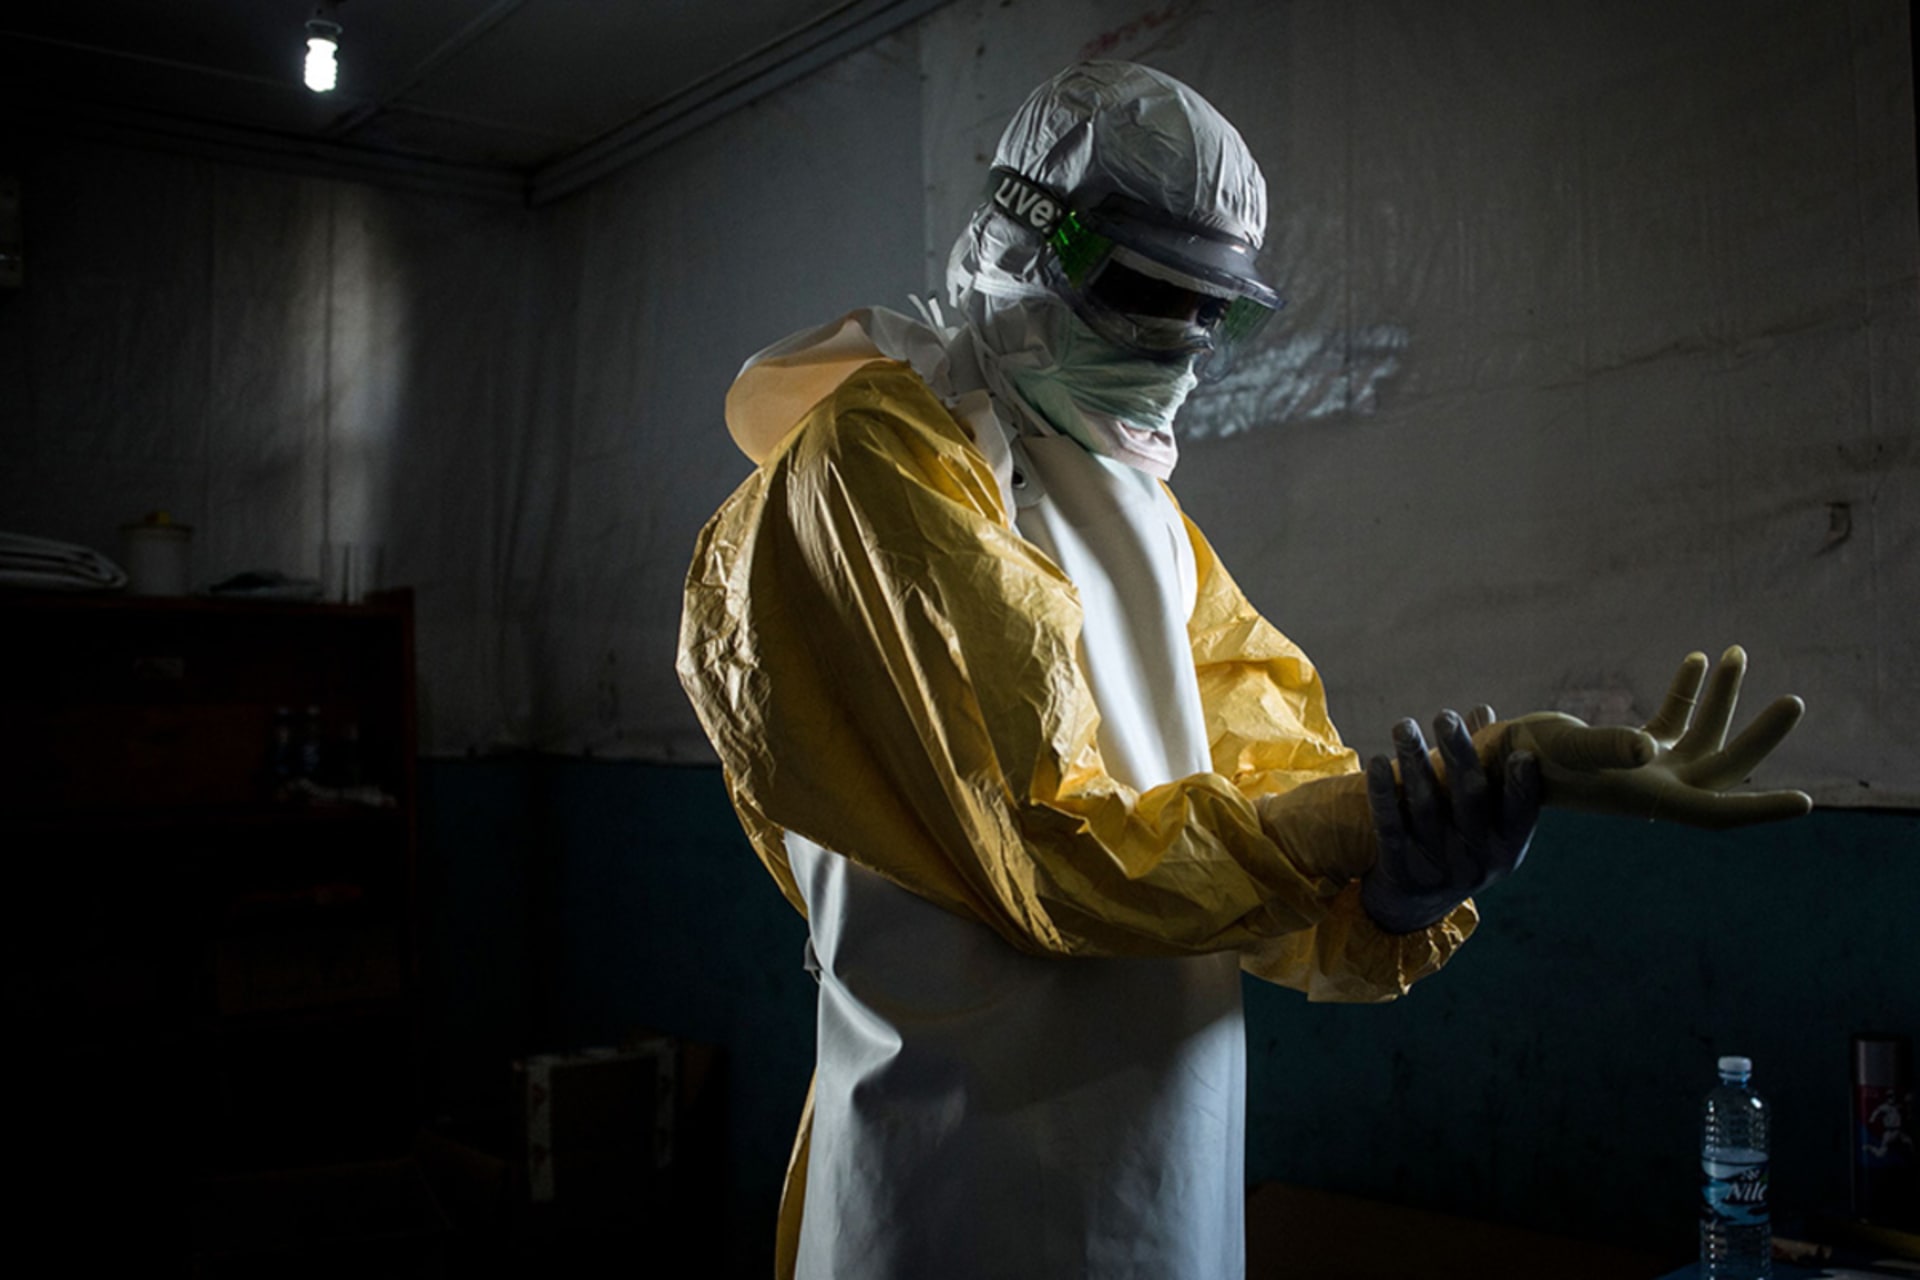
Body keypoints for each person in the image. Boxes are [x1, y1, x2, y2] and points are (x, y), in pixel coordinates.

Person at [677, 60, 1810, 1280]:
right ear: (1031, 245)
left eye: (1214, 309)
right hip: (954, 1188)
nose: (1186, 344)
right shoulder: (877, 460)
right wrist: (1373, 813)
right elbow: (1052, 849)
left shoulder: (1152, 525)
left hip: (1170, 1187)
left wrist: (1406, 878)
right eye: (1153, 296)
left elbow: (1271, 829)